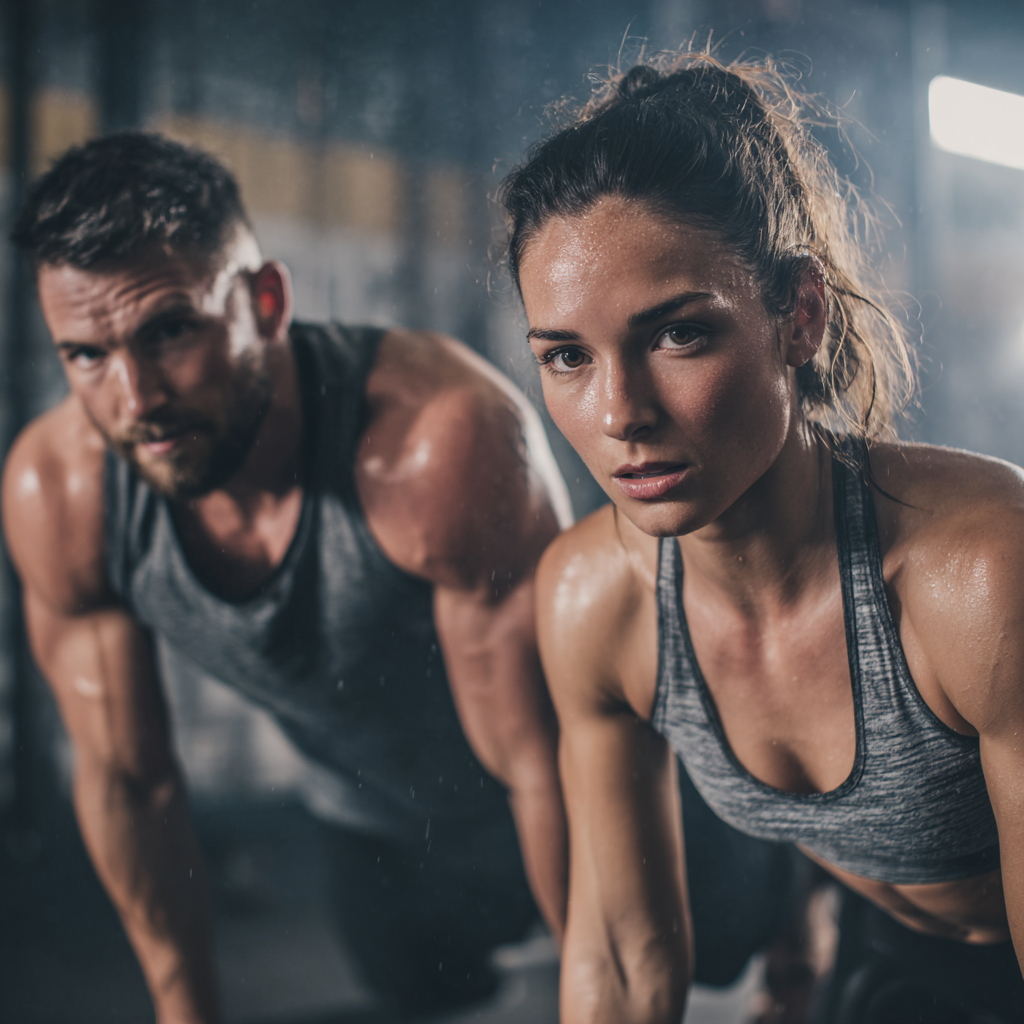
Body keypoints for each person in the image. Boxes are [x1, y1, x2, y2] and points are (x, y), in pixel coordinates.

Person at [3, 131, 810, 1023]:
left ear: (265, 302)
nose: (137, 395)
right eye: (86, 354)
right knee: (408, 984)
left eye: (171, 332)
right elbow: (129, 779)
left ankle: (802, 888)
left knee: (716, 951)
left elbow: (542, 762)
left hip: (572, 775)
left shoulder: (436, 444)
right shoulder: (64, 494)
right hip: (386, 817)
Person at [500, 52, 1024, 1024]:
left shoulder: (978, 571)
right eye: (566, 357)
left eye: (677, 335)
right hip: (891, 948)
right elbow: (618, 956)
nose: (619, 412)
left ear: (800, 316)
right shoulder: (592, 598)